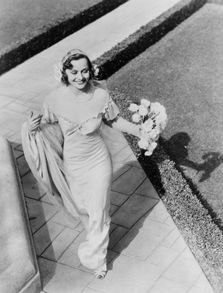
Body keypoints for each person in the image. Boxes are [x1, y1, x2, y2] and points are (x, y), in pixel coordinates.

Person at [22, 49, 142, 279]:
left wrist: (139, 130)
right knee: (83, 209)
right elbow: (44, 123)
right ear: (65, 72)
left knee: (98, 209)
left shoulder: (100, 95)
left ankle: (98, 259)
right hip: (73, 163)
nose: (80, 76)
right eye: (74, 71)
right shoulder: (54, 100)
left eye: (84, 71)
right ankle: (96, 241)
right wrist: (31, 126)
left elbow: (114, 120)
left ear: (91, 71)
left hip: (98, 161)